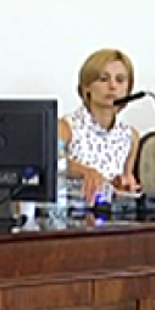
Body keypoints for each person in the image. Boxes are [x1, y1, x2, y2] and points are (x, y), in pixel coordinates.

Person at [60, 48, 141, 202]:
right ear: (86, 87)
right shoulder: (66, 127)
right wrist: (84, 171)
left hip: (110, 212)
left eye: (120, 80)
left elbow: (125, 180)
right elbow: (51, 163)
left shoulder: (130, 136)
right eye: (104, 79)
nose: (113, 86)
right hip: (72, 210)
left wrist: (124, 186)